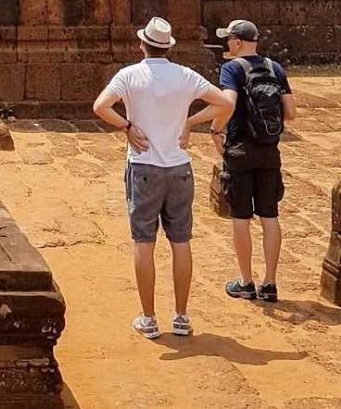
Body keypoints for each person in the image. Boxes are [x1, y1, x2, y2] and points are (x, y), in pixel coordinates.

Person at [93, 17, 235, 340]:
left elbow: (100, 106)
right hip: (179, 168)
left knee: (144, 241)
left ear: (142, 45)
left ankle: (149, 317)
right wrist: (191, 122)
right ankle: (182, 317)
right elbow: (225, 101)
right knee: (180, 242)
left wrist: (128, 128)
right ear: (169, 48)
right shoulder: (184, 76)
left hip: (144, 167)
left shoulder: (130, 75)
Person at [206, 19, 296, 303]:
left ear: (236, 42)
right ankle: (270, 283)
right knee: (270, 217)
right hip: (270, 151)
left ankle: (246, 282)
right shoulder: (275, 69)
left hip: (241, 152)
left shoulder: (232, 69)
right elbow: (291, 112)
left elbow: (228, 103)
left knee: (241, 218)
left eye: (228, 40)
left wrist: (216, 130)